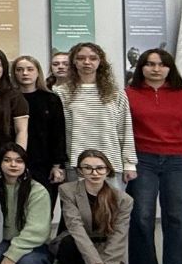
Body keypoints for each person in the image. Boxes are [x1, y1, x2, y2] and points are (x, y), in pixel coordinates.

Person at [127, 48, 182, 264]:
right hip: (142, 159)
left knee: (177, 217)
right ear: (141, 68)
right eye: (150, 64)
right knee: (142, 215)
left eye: (161, 64)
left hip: (179, 161)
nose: (156, 69)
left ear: (170, 68)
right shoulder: (128, 94)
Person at [57, 43, 137, 191]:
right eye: (81, 58)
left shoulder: (115, 93)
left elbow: (124, 129)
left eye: (93, 58)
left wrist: (129, 164)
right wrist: (59, 164)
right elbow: (59, 133)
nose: (87, 62)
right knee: (79, 205)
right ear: (74, 62)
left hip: (110, 163)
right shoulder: (61, 93)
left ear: (100, 62)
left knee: (110, 205)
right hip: (76, 164)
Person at [57, 148, 133, 264]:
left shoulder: (123, 200)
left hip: (107, 250)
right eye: (88, 168)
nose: (94, 173)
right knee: (68, 243)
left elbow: (119, 236)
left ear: (107, 170)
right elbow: (75, 227)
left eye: (100, 168)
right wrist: (94, 261)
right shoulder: (67, 190)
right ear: (80, 171)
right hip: (78, 245)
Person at [0, 144, 54, 264]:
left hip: (34, 244)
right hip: (3, 241)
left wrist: (12, 255)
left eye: (19, 161)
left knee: (29, 263)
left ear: (25, 165)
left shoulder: (37, 190)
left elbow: (37, 231)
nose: (13, 165)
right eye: (7, 160)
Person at [15, 55, 69, 193]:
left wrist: (57, 165)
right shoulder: (10, 99)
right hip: (15, 161)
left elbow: (58, 134)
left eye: (30, 69)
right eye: (19, 70)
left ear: (38, 72)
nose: (25, 73)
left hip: (45, 163)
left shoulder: (51, 99)